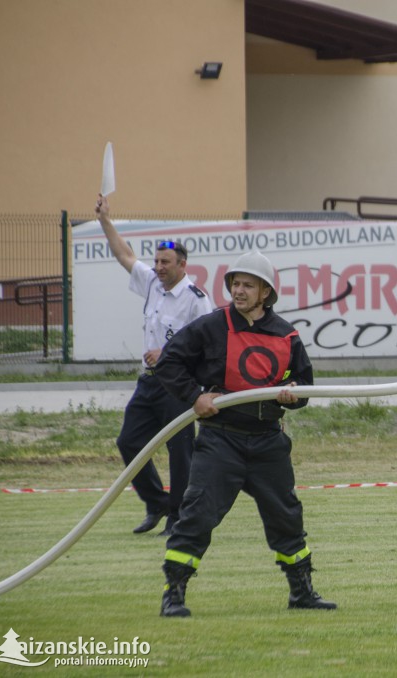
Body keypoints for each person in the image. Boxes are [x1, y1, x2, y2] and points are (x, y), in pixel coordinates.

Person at [153, 250, 335, 617]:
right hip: (221, 440)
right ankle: (174, 594)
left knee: (287, 517)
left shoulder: (287, 335)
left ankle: (302, 592)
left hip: (268, 441)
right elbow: (169, 362)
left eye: (248, 285)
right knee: (197, 514)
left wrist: (292, 393)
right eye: (235, 283)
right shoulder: (212, 326)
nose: (239, 291)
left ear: (265, 292)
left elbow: (305, 386)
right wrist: (195, 397)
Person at [94, 194, 213, 536]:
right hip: (148, 383)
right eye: (157, 261)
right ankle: (156, 503)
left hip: (179, 386)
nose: (159, 267)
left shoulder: (197, 301)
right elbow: (124, 255)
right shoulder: (152, 284)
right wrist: (105, 220)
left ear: (182, 265)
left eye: (166, 262)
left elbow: (208, 348)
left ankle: (178, 516)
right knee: (129, 442)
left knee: (181, 453)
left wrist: (169, 354)